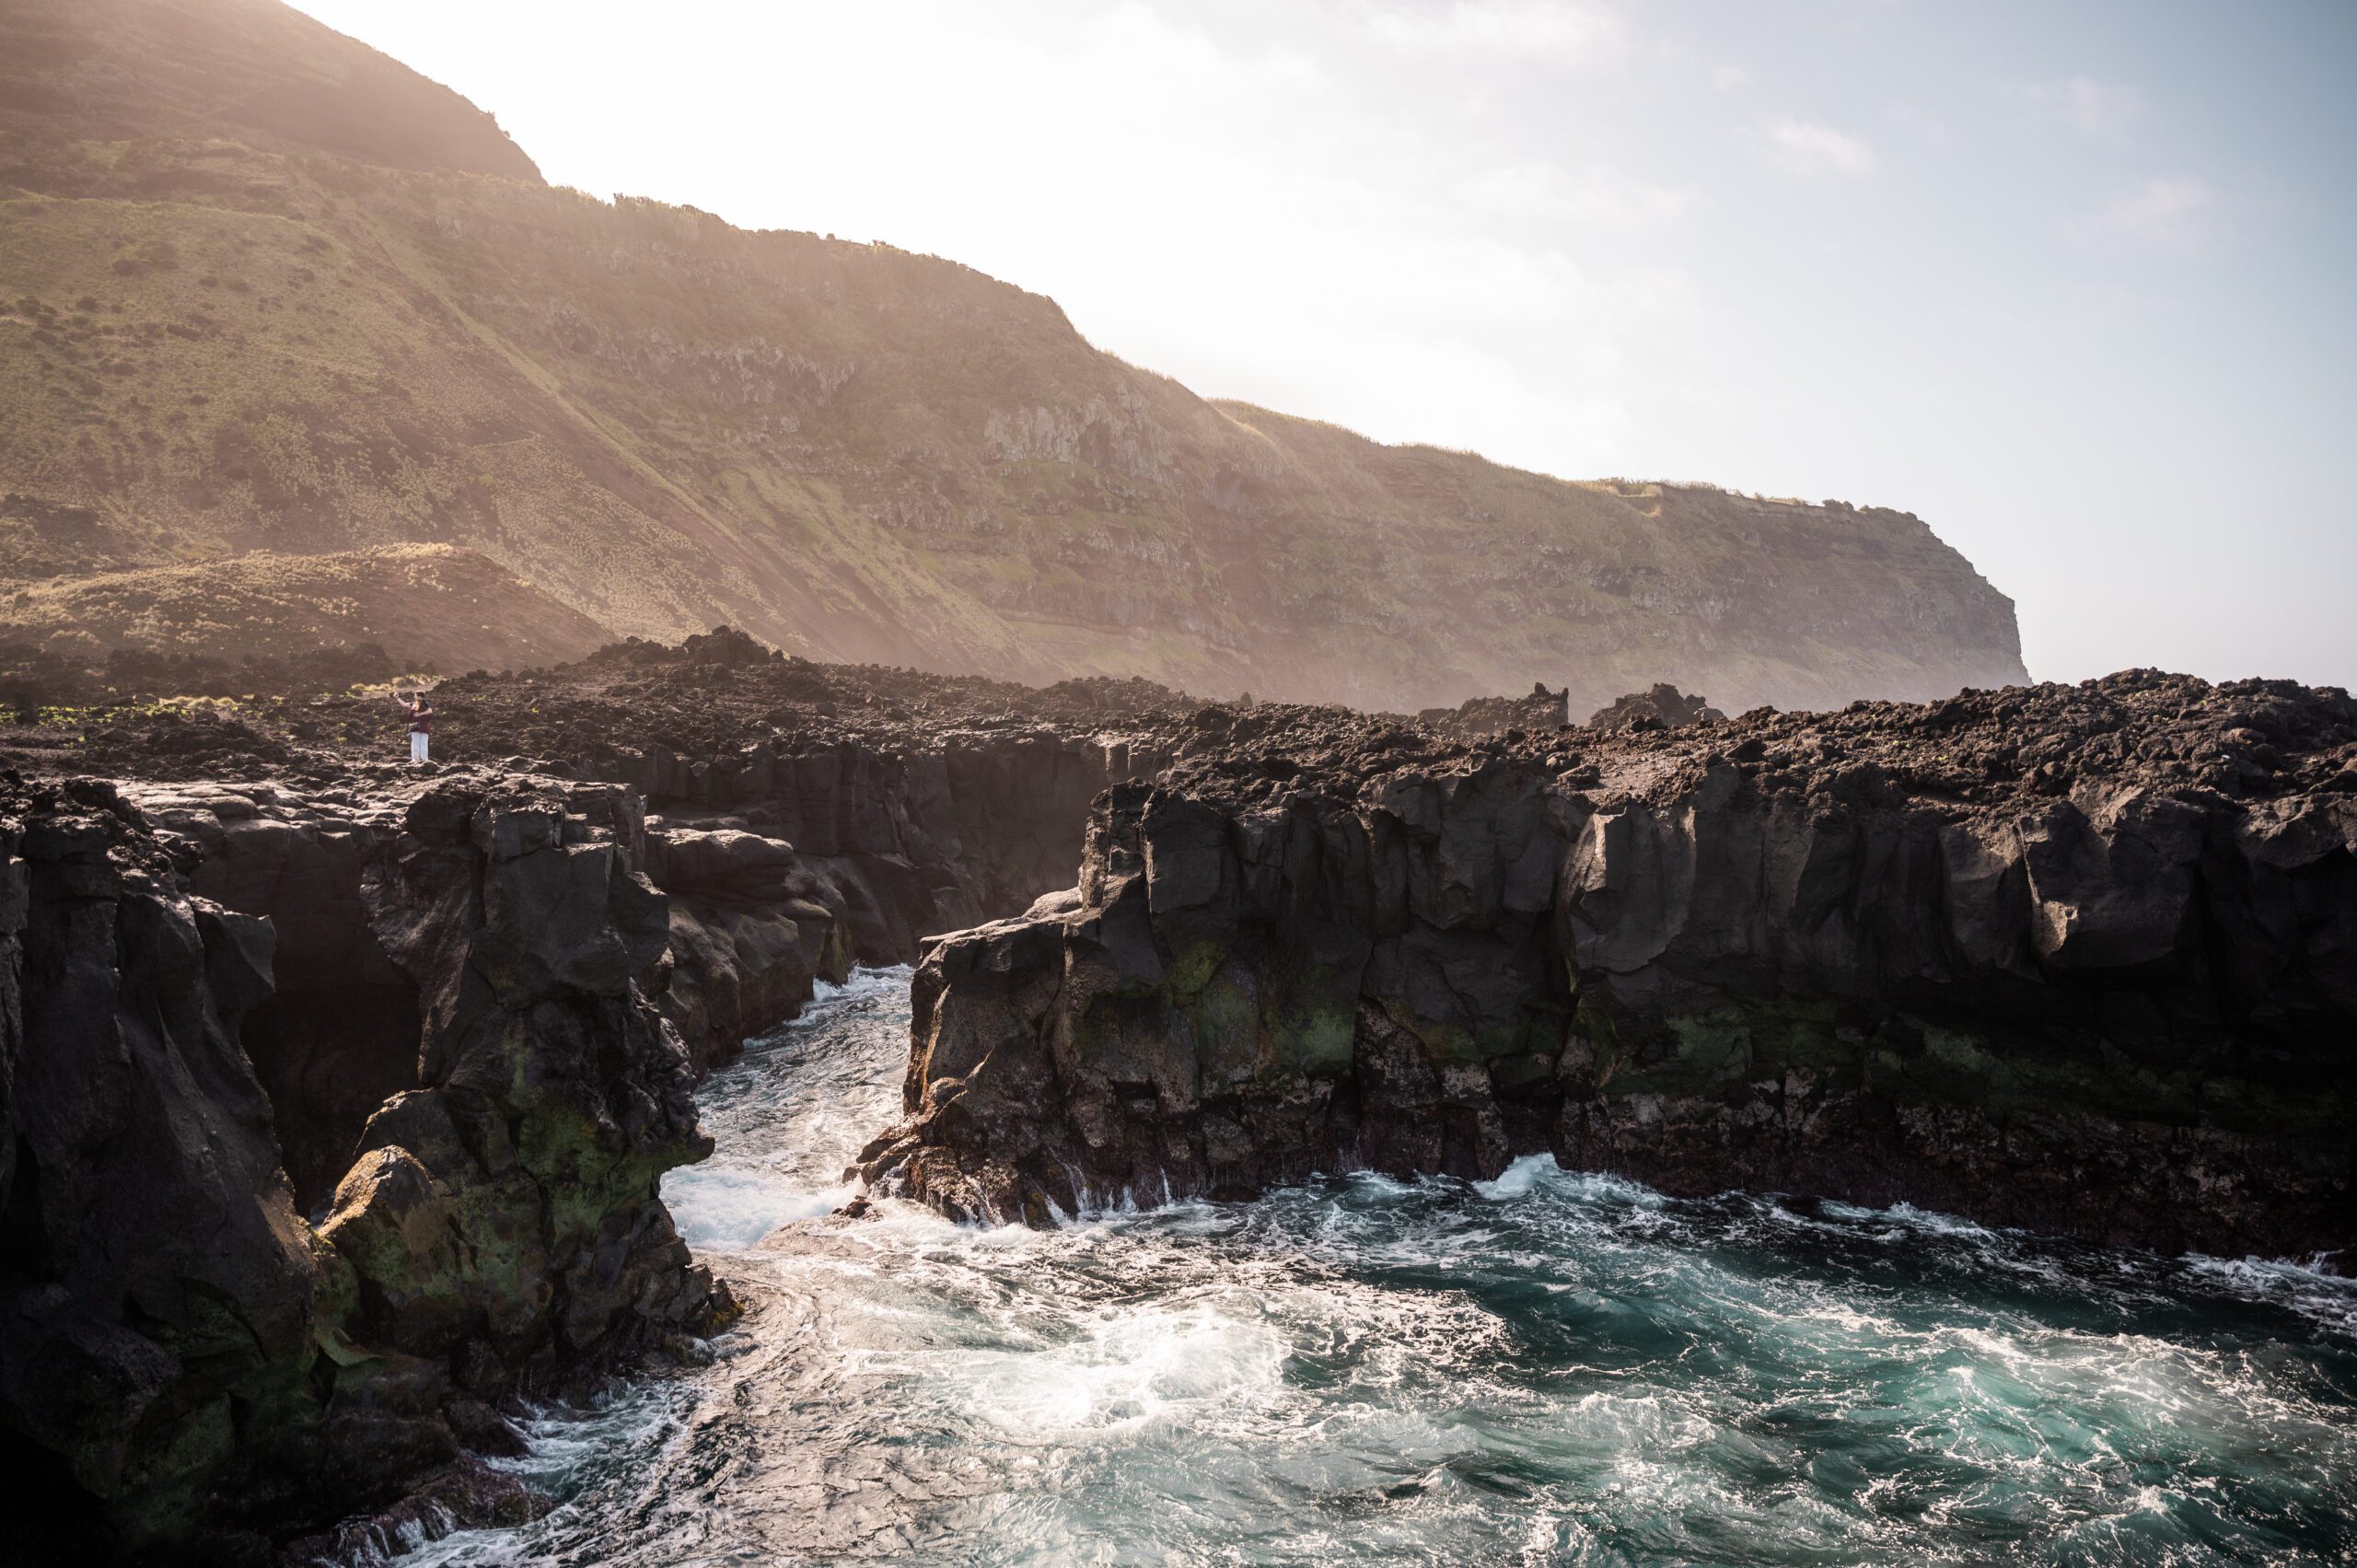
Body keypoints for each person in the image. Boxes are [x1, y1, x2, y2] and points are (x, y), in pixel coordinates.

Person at [394, 689, 434, 763]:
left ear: (420, 697)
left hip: (422, 725)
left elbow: (430, 711)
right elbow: (404, 704)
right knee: (416, 742)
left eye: (415, 696)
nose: (414, 697)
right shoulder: (414, 703)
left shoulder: (425, 703)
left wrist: (420, 714)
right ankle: (417, 759)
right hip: (416, 725)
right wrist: (397, 698)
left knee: (422, 743)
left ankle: (423, 760)